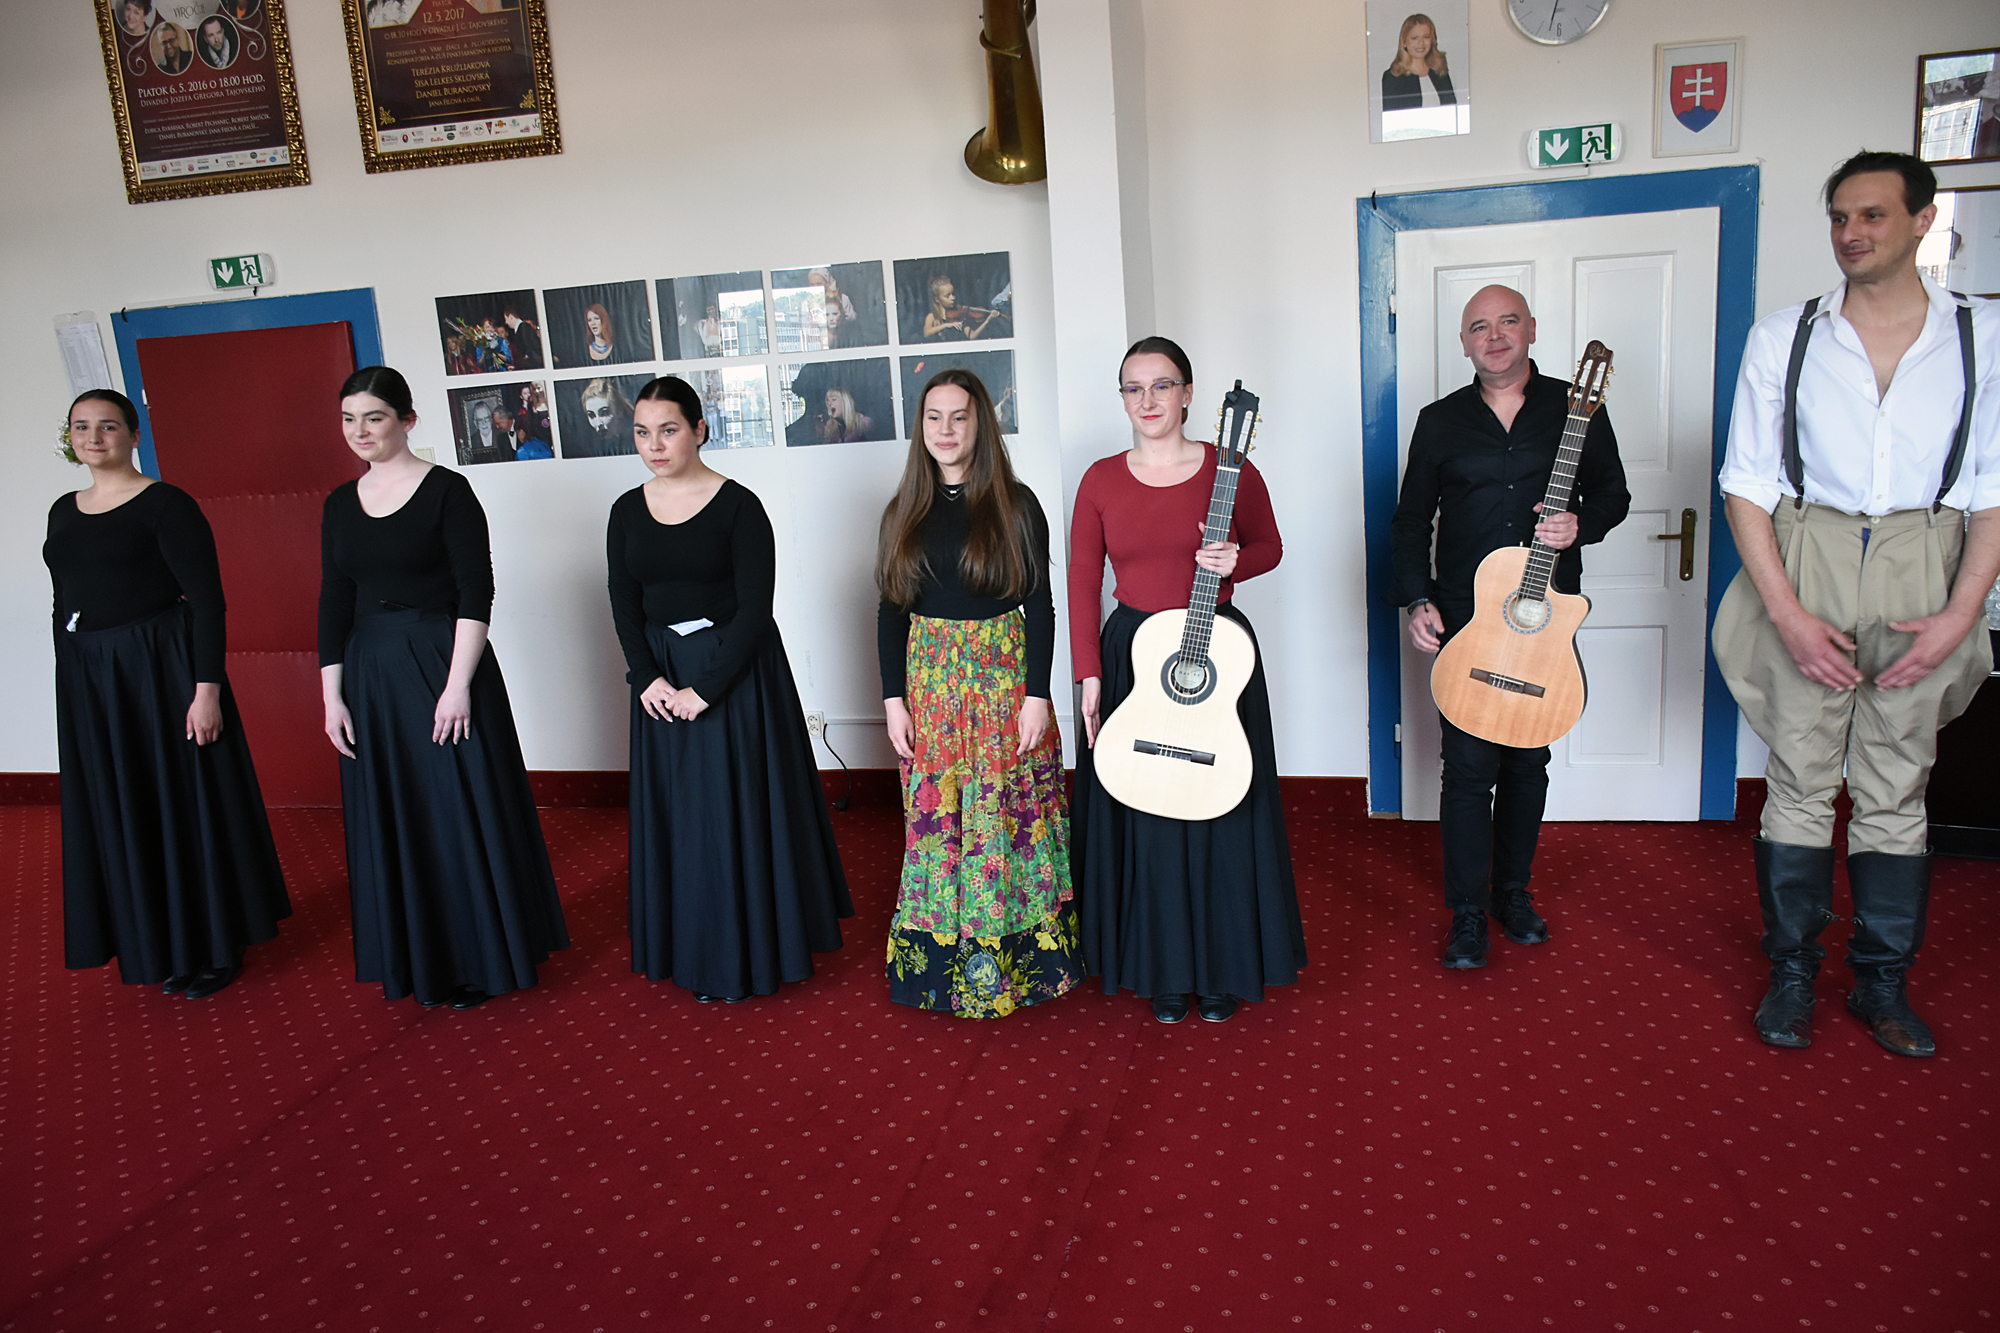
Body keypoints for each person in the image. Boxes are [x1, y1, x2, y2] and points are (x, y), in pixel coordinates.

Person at [1712, 151, 2000, 1058]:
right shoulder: (1784, 337)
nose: (1851, 233)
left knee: (1896, 782)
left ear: (1923, 220)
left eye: (1872, 215)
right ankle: (1793, 969)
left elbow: (1994, 490)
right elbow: (1746, 484)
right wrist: (1788, 614)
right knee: (1798, 779)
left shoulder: (1982, 335)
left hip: (1927, 552)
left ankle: (1882, 980)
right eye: (1839, 216)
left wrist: (1960, 614)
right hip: (1808, 550)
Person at [1069, 337, 1307, 1024]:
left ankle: (1223, 968)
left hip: (1215, 653)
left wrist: (1235, 562)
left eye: (1162, 385)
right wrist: (1088, 674)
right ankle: (1163, 971)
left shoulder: (1231, 468)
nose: (1147, 400)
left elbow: (1270, 545)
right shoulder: (1100, 479)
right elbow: (1082, 578)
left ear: (1188, 394)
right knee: (1144, 813)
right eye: (1133, 388)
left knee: (1222, 806)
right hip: (1133, 654)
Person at [1390, 286, 1629, 970]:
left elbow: (1613, 495)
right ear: (1464, 342)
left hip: (1543, 614)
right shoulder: (1439, 421)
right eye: (1479, 327)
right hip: (1466, 615)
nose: (1493, 337)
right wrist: (1417, 599)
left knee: (1528, 760)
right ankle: (1467, 913)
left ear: (1531, 330)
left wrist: (1581, 523)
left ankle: (1512, 893)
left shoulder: (1576, 407)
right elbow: (1411, 519)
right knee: (1467, 769)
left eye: (1507, 322)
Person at [319, 366, 569, 1009]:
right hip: (371, 677)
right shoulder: (339, 504)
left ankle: (481, 957)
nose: (360, 431)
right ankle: (419, 958)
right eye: (349, 419)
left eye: (374, 417)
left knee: (459, 814)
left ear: (407, 420)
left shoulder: (447, 491)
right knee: (398, 818)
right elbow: (334, 601)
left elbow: (476, 591)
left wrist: (458, 687)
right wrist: (331, 696)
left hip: (444, 662)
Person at [607, 376, 853, 1003]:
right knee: (682, 820)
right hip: (660, 680)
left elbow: (754, 611)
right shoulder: (626, 511)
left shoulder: (739, 506)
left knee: (733, 816)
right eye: (642, 432)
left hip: (734, 675)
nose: (654, 445)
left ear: (699, 430)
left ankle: (748, 954)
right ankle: (689, 948)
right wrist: (646, 677)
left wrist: (705, 690)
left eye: (668, 430)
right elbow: (623, 602)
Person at [45, 390, 290, 999]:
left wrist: (206, 692)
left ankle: (214, 945)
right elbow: (62, 601)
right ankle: (159, 941)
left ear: (134, 435)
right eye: (81, 426)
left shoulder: (166, 504)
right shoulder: (62, 511)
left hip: (161, 671)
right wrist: (71, 685)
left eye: (108, 426)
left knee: (185, 806)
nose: (93, 437)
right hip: (94, 680)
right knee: (128, 808)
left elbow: (207, 603)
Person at [878, 369, 1078, 1016]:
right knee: (938, 824)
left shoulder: (1016, 505)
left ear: (980, 424)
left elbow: (1040, 605)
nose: (945, 430)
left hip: (1002, 682)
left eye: (958, 417)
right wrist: (892, 699)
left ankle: (1015, 966)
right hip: (930, 687)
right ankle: (938, 969)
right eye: (933, 417)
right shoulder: (903, 510)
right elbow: (890, 610)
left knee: (1006, 818)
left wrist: (1037, 695)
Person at [1380, 13, 1455, 112]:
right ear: (1404, 42)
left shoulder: (1440, 72)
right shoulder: (1393, 78)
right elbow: (1392, 117)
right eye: (1414, 38)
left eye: (1426, 37)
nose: (1421, 43)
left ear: (1432, 40)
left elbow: (1452, 109)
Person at [569, 377, 635, 457]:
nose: (598, 423)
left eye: (604, 413)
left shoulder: (635, 442)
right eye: (591, 415)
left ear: (619, 411)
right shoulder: (589, 448)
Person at [922, 276, 1003, 342]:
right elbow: (926, 333)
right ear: (937, 299)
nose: (953, 298)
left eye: (953, 294)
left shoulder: (959, 316)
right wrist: (946, 325)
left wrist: (988, 320)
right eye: (947, 296)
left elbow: (972, 336)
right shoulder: (933, 316)